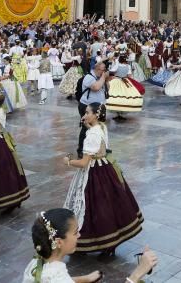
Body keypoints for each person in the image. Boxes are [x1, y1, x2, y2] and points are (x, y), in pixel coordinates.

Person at [62, 103, 143, 256]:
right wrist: (88, 126)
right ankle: (109, 244)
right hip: (106, 167)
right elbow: (97, 140)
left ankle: (91, 242)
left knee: (92, 208)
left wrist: (68, 161)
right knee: (108, 206)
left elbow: (84, 163)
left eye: (87, 113)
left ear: (96, 115)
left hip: (94, 172)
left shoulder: (92, 134)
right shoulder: (101, 127)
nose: (84, 116)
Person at [22, 208, 103, 282]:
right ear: (59, 242)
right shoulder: (60, 278)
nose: (79, 235)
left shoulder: (37, 261)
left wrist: (86, 279)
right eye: (75, 232)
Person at [76, 61, 108, 158]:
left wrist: (106, 80)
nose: (104, 72)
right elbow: (96, 87)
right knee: (86, 127)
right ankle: (81, 150)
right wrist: (103, 77)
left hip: (97, 107)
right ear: (97, 69)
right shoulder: (88, 77)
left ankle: (97, 147)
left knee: (98, 127)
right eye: (103, 70)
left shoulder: (99, 78)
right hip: (86, 107)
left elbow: (107, 89)